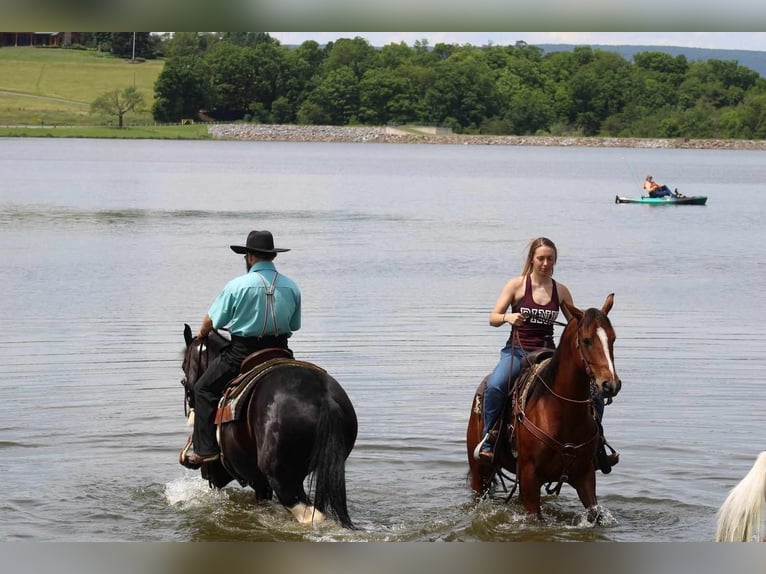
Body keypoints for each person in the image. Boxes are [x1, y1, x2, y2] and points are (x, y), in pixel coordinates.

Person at [477, 237, 618, 473]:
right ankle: (489, 440)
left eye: (549, 259)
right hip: (518, 351)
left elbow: (577, 323)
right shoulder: (517, 285)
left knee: (593, 393)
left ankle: (597, 445)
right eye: (540, 258)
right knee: (495, 386)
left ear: (555, 261)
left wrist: (596, 321)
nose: (545, 263)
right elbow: (492, 318)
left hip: (548, 353)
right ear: (532, 259)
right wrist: (507, 318)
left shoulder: (560, 290)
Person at [182, 230, 301, 468]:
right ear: (273, 257)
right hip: (281, 352)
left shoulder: (237, 286)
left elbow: (211, 321)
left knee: (204, 389)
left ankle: (206, 451)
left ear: (248, 257)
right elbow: (295, 326)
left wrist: (202, 334)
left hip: (243, 354)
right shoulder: (292, 287)